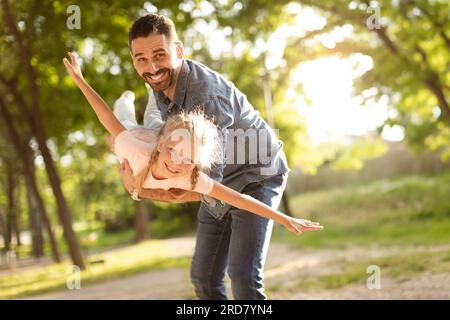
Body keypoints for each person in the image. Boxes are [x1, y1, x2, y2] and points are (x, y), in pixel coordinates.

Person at [62, 51, 323, 235]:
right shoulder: (136, 149)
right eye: (176, 155)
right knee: (126, 118)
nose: (178, 164)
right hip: (145, 139)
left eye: (188, 160)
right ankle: (134, 95)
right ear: (165, 147)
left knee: (153, 118)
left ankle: (152, 102)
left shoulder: (193, 176)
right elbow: (105, 115)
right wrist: (80, 81)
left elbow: (241, 199)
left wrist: (284, 218)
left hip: (164, 137)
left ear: (197, 163)